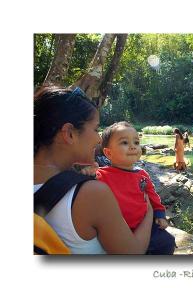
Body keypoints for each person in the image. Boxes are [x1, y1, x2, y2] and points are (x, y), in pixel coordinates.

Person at [34, 86, 153, 254]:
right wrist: (149, 212)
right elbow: (133, 253)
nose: (98, 138)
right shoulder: (91, 194)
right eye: (96, 129)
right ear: (69, 133)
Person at [96, 121, 175, 255]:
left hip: (144, 224)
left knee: (167, 242)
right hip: (120, 229)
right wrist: (86, 171)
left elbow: (153, 197)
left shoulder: (142, 175)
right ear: (108, 153)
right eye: (124, 143)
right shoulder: (101, 174)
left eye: (136, 142)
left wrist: (160, 214)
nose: (133, 147)